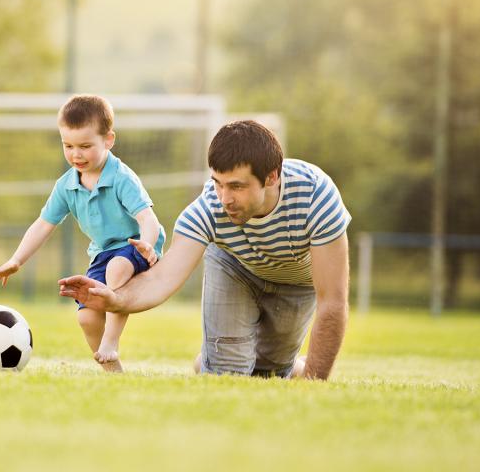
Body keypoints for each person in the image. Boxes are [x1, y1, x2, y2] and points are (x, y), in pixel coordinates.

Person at [59, 119, 350, 380]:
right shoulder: (208, 208)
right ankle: (217, 360)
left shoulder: (316, 196)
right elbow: (161, 279)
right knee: (226, 376)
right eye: (218, 184)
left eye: (236, 186)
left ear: (271, 177)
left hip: (296, 282)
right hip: (235, 267)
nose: (225, 198)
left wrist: (314, 383)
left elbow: (333, 302)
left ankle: (262, 364)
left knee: (269, 373)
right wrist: (112, 298)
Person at [0, 94, 165, 373]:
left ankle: (111, 342)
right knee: (87, 319)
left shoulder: (121, 178)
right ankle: (112, 370)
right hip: (102, 254)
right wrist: (16, 260)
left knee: (117, 268)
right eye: (67, 146)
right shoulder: (66, 185)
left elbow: (148, 218)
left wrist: (148, 244)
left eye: (85, 146)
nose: (76, 155)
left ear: (108, 140)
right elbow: (43, 224)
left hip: (135, 247)